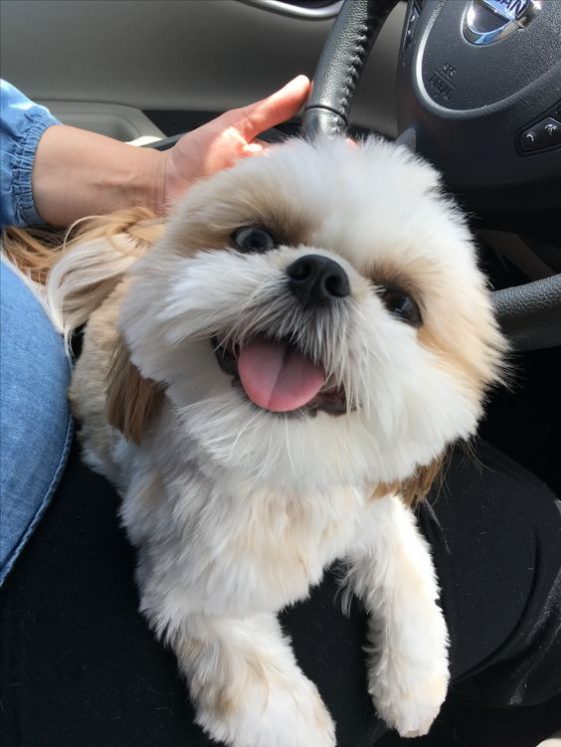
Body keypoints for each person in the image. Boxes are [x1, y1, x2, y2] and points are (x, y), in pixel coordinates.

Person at [0, 79, 560, 747]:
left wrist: (157, 176)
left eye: (398, 304)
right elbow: (190, 601)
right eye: (259, 238)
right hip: (41, 538)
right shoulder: (176, 482)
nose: (318, 281)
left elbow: (380, 510)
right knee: (536, 545)